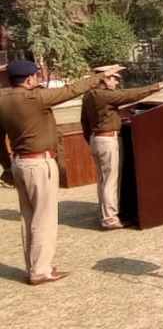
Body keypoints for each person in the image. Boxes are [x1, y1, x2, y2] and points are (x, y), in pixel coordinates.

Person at [0, 60, 122, 285]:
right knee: (44, 219)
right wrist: (103, 76)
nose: (38, 80)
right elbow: (72, 89)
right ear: (29, 79)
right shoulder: (36, 98)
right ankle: (40, 270)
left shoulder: (3, 100)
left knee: (28, 218)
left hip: (19, 163)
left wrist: (7, 166)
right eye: (36, 77)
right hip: (39, 164)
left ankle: (34, 265)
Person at [80, 72, 163, 229]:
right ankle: (110, 219)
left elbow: (84, 121)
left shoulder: (88, 95)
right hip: (107, 140)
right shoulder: (103, 95)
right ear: (103, 79)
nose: (116, 82)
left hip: (97, 139)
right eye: (113, 78)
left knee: (103, 179)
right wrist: (156, 87)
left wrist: (91, 139)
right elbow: (129, 95)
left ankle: (105, 213)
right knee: (110, 180)